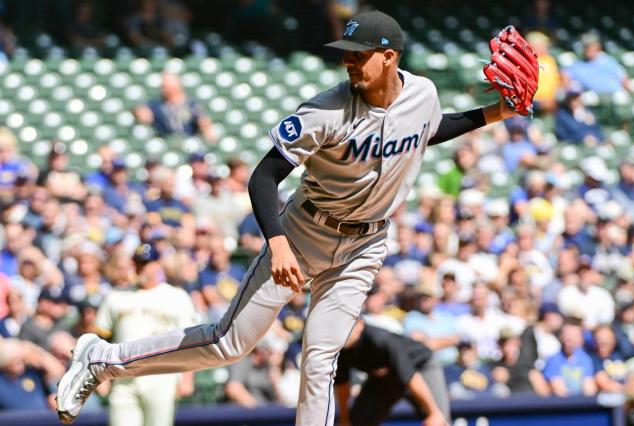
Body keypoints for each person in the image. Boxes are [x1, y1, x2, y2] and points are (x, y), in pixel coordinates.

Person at [57, 10, 523, 425]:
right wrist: (278, 242)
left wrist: (493, 112)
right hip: (304, 232)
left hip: (365, 246)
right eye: (347, 54)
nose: (350, 62)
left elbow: (427, 129)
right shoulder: (325, 110)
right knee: (230, 343)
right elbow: (263, 177)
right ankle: (103, 359)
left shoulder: (422, 94)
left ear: (390, 57)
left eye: (361, 55)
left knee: (322, 357)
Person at [94, 243, 198, 426]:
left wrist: (187, 378)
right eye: (139, 263)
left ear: (158, 264)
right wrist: (99, 376)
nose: (143, 268)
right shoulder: (116, 296)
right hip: (123, 377)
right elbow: (100, 338)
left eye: (148, 263)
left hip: (161, 375)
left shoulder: (177, 296)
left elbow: (190, 341)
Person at [335, 319, 449, 426]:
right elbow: (342, 384)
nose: (344, 333)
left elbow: (410, 376)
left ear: (360, 324)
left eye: (348, 327)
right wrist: (345, 418)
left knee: (438, 420)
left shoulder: (379, 338)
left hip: (421, 366)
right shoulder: (341, 348)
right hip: (386, 375)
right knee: (357, 421)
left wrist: (433, 412)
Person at [133, 72, 216, 142]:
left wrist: (205, 127)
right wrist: (139, 112)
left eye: (167, 86)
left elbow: (204, 122)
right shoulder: (157, 105)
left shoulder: (192, 105)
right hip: (165, 142)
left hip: (188, 142)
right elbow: (143, 113)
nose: (164, 89)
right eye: (163, 86)